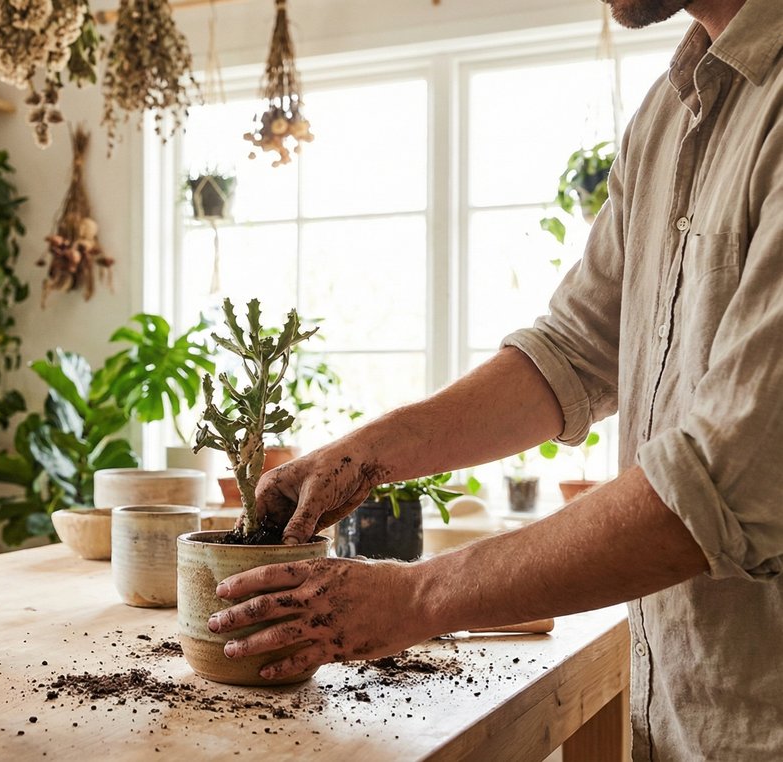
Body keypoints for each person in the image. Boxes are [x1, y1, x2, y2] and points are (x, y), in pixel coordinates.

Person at [206, 0, 782, 758]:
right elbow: (575, 349)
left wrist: (416, 598)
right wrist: (362, 454)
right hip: (681, 720)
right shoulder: (669, 113)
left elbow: (729, 481)